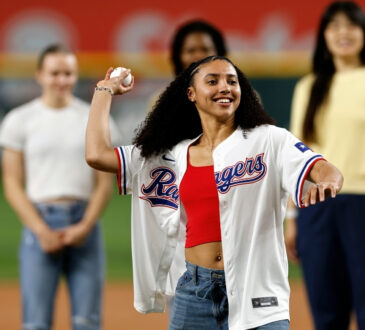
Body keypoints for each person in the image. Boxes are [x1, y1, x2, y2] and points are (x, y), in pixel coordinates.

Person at [86, 55, 343, 330]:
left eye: (232, 81)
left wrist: (328, 183)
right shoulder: (171, 154)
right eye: (213, 81)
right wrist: (104, 90)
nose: (225, 87)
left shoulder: (269, 139)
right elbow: (97, 155)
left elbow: (323, 169)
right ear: (191, 94)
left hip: (257, 291)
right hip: (194, 293)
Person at [0, 44, 120, 330]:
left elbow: (104, 183)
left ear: (76, 76)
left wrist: (86, 225)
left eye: (68, 73)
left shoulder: (93, 117)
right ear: (40, 75)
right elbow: (12, 182)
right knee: (36, 323)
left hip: (84, 224)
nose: (62, 80)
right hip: (40, 222)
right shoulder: (19, 120)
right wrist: (41, 230)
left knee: (87, 321)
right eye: (55, 73)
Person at [285, 1, 365, 329]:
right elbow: (297, 156)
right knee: (325, 310)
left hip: (361, 205)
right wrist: (292, 217)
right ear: (324, 36)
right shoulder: (309, 86)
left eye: (351, 25)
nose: (343, 33)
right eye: (334, 26)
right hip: (316, 210)